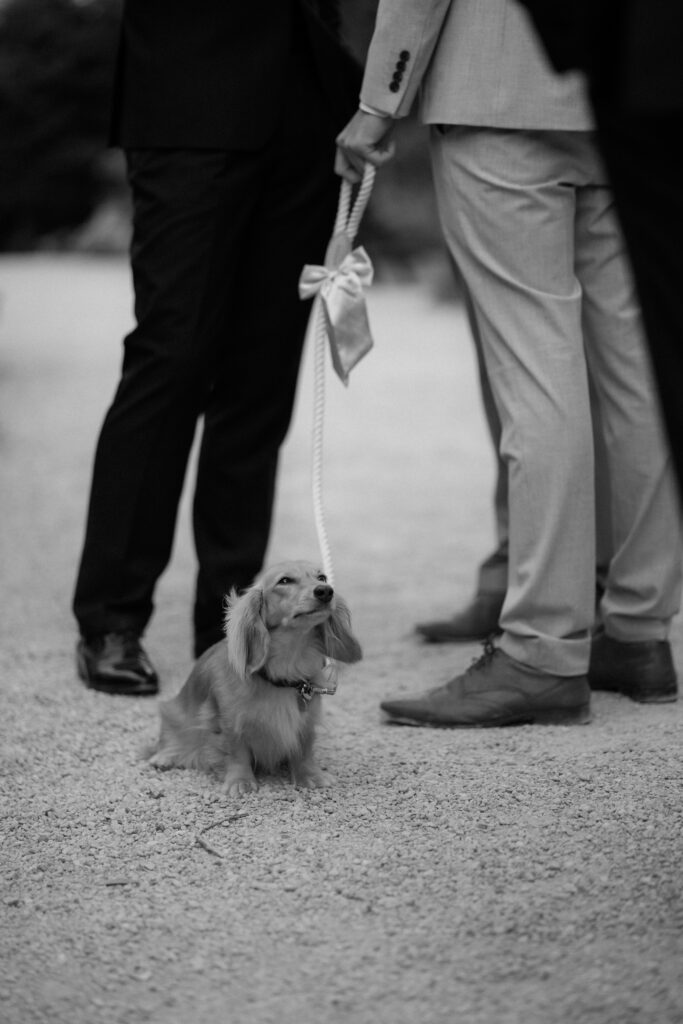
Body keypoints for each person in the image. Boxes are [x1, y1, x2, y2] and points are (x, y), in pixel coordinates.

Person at [336, 0, 682, 726]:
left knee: (536, 370)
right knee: (635, 373)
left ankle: (541, 648)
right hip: (627, 88)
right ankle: (637, 630)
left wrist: (378, 102)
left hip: (498, 94)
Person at [73, 0, 360, 696]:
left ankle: (228, 619)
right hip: (189, 89)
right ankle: (111, 617)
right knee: (171, 355)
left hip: (310, 98)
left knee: (261, 376)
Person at [516, 0, 683, 495]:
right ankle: (651, 575)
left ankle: (557, 576)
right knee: (634, 362)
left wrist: (577, 37)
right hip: (637, 75)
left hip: (644, 74)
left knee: (537, 357)